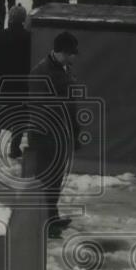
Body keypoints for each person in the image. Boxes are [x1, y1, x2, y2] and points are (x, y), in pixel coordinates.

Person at [27, 31, 83, 237]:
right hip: (46, 135)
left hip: (59, 133)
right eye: (70, 54)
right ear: (62, 52)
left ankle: (51, 217)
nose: (73, 57)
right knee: (45, 179)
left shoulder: (61, 68)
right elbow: (45, 107)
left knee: (55, 179)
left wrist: (73, 131)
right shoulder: (43, 73)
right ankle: (43, 222)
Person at [0, 3, 31, 158]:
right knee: (19, 117)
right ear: (23, 19)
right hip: (21, 86)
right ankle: (15, 149)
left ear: (9, 19)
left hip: (0, 85)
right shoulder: (29, 37)